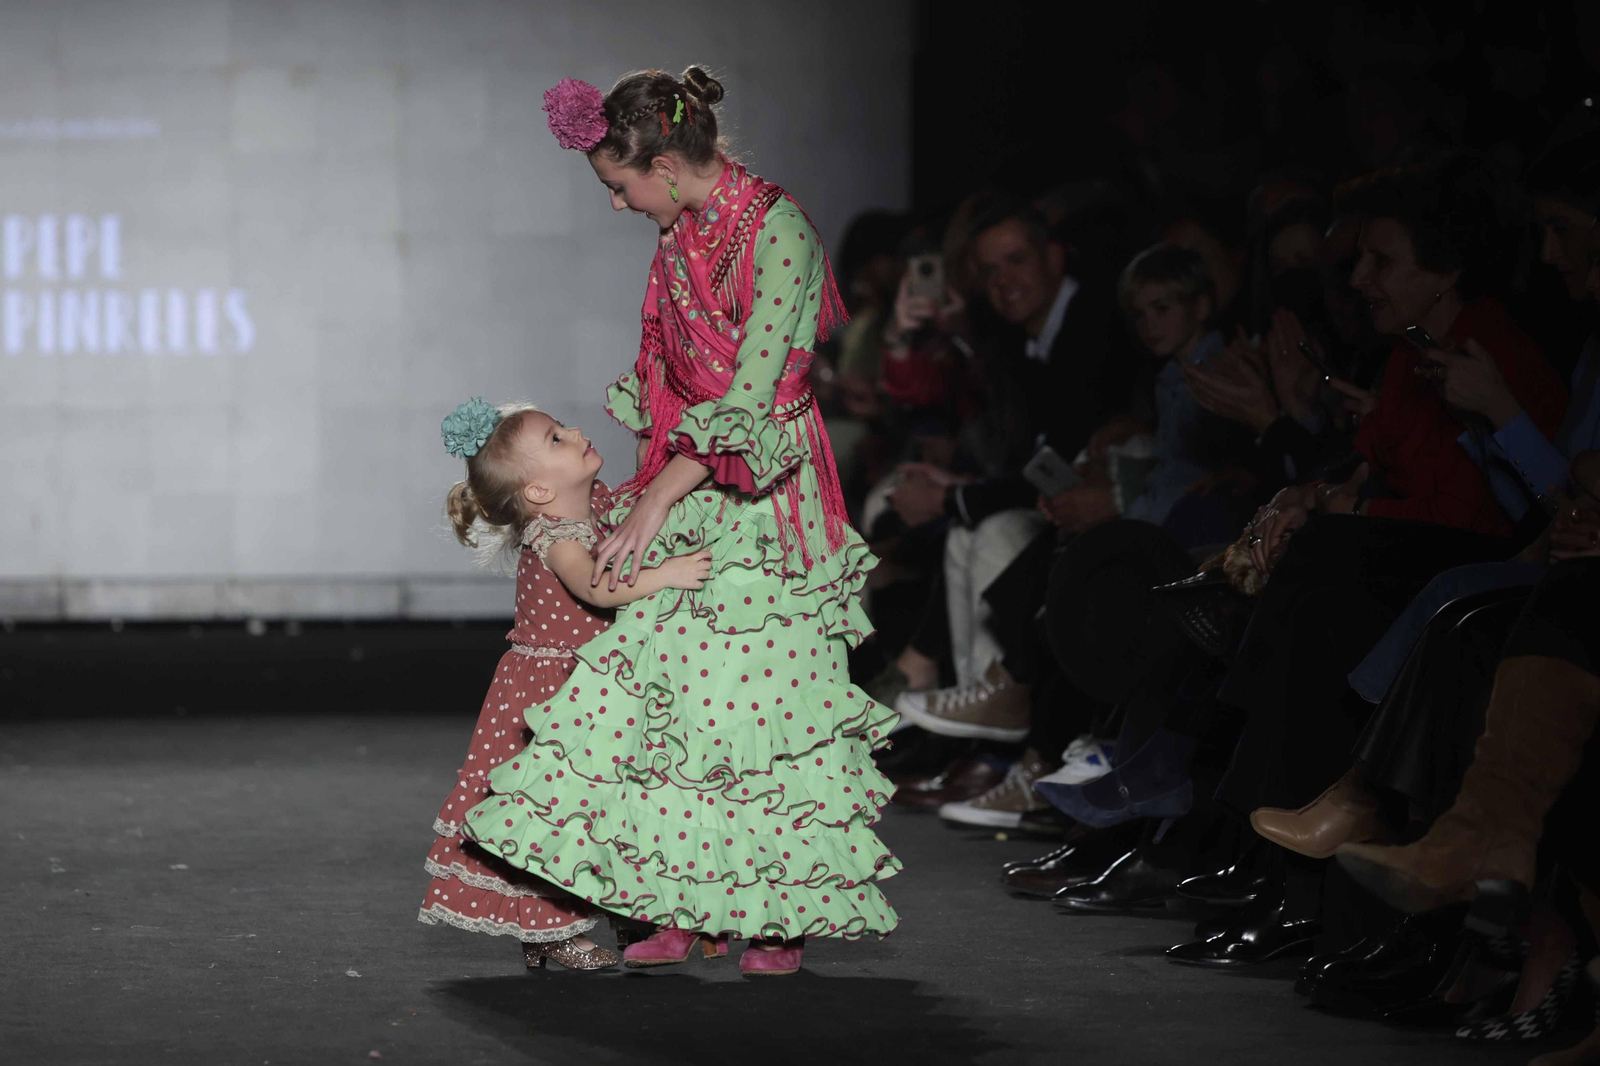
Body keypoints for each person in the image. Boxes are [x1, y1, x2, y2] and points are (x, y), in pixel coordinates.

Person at [459, 68, 901, 978]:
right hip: (690, 481)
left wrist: (656, 499)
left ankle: (777, 916)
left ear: (662, 162)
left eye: (620, 187)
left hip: (770, 492)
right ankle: (678, 895)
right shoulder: (678, 235)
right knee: (677, 701)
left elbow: (762, 394)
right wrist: (645, 493)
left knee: (768, 705)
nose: (620, 206)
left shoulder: (777, 231)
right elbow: (666, 380)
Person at [419, 399, 711, 971]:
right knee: (553, 811)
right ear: (539, 493)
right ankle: (548, 931)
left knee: (610, 800)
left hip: (594, 688)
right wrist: (669, 575)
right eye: (556, 438)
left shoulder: (596, 504)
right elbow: (597, 589)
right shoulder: (555, 536)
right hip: (551, 696)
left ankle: (631, 910)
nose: (575, 432)